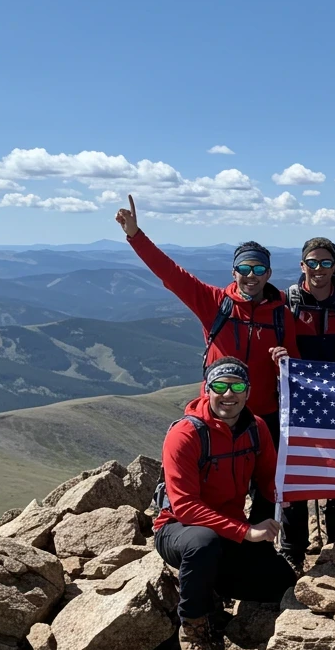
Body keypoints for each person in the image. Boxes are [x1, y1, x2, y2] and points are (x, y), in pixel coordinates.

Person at [115, 195, 298, 548]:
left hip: (264, 416)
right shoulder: (215, 303)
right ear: (234, 272)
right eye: (244, 269)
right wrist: (136, 235)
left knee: (268, 489)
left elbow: (295, 362)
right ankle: (211, 544)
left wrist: (285, 359)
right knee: (211, 486)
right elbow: (171, 275)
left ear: (269, 274)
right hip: (216, 416)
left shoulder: (280, 315)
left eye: (258, 270)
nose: (251, 276)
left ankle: (259, 550)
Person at [152, 357, 298, 650]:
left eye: (237, 386)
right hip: (178, 530)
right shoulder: (185, 435)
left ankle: (211, 590)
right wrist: (247, 533)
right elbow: (186, 508)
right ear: (207, 390)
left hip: (228, 531)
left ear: (248, 392)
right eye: (219, 386)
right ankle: (193, 631)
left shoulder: (256, 429)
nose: (227, 394)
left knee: (282, 584)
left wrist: (285, 503)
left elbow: (271, 482)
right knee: (202, 544)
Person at [286, 236, 335, 547]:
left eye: (327, 263)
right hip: (296, 400)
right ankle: (293, 546)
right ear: (303, 265)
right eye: (313, 262)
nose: (319, 269)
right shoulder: (288, 302)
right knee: (296, 473)